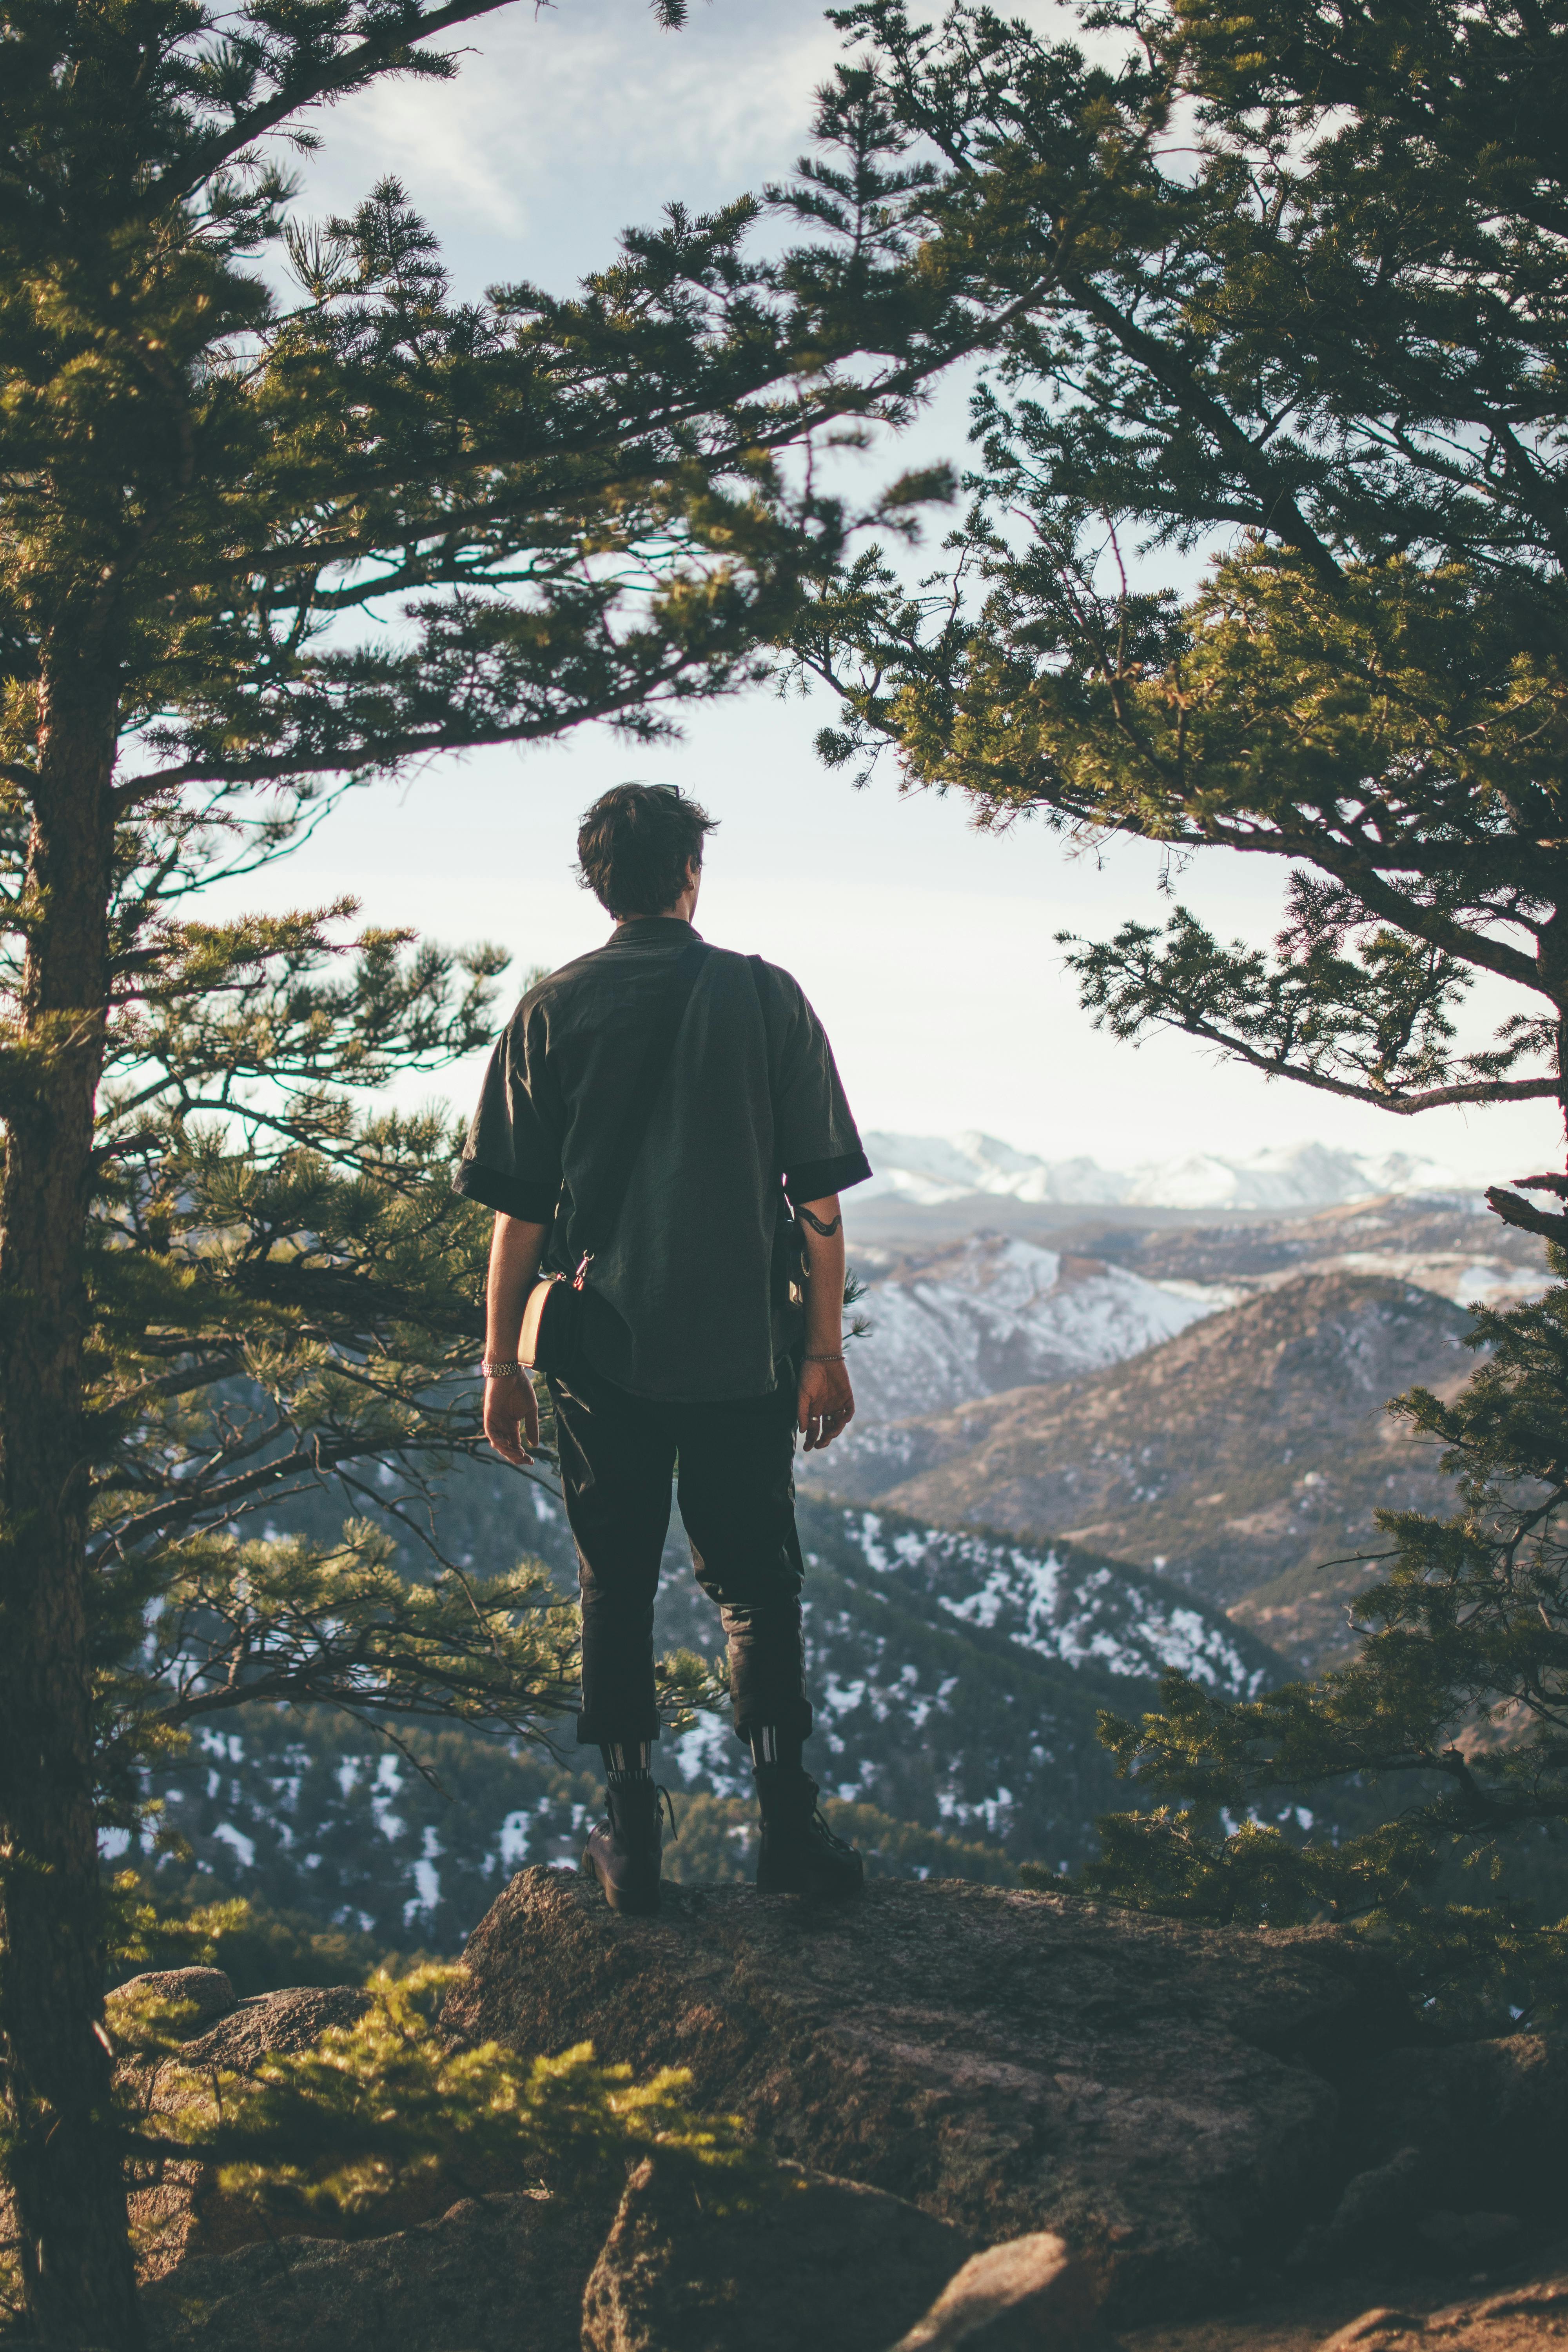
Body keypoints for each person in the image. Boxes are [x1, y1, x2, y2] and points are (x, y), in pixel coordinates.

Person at [455, 782, 872, 1912]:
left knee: (616, 1581)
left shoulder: (548, 1012)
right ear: (694, 871)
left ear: (598, 884)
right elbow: (821, 1204)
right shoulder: (766, 998)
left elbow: (518, 1219)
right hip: (744, 1351)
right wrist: (823, 1351)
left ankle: (631, 1840)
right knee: (755, 1583)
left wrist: (500, 1365)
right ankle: (787, 1827)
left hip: (601, 1356)